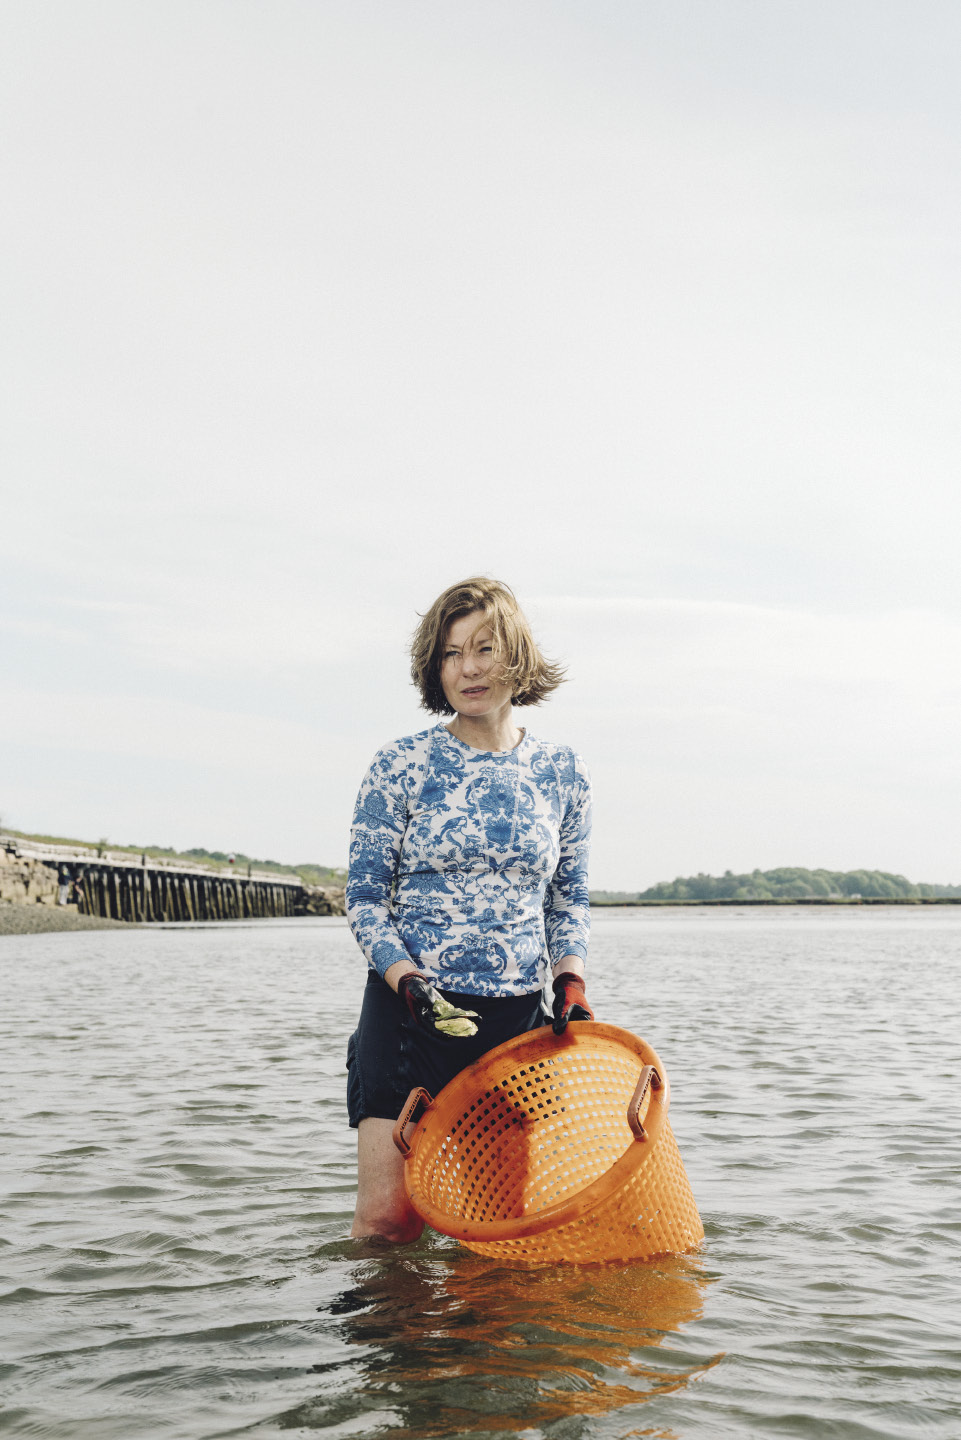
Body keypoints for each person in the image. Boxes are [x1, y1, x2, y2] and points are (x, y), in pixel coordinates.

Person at [345, 577, 594, 1243]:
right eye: (451, 654)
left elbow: (568, 899)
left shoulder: (561, 773)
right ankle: (384, 1348)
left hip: (515, 1024)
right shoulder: (400, 766)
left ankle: (482, 1350)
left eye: (484, 648)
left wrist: (569, 979)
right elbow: (365, 900)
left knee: (498, 1228)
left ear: (516, 653)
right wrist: (411, 982)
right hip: (410, 1016)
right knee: (387, 1221)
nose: (468, 668)